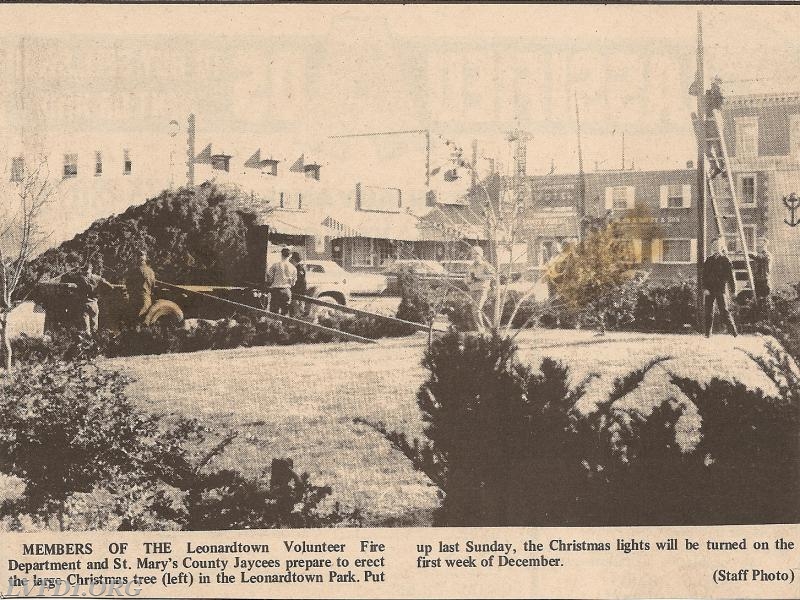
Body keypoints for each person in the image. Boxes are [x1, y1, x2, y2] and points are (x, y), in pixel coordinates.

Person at [65, 262, 112, 337]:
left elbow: (70, 277)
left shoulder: (80, 278)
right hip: (94, 302)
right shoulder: (97, 278)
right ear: (91, 269)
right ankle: (95, 342)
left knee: (86, 328)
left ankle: (87, 341)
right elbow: (109, 286)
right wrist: (102, 293)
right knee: (94, 325)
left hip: (84, 303)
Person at [703, 237, 738, 338]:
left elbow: (731, 277)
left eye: (717, 245)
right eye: (714, 245)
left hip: (720, 289)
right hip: (709, 290)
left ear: (721, 247)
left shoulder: (725, 260)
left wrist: (733, 290)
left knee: (724, 310)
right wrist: (705, 288)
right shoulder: (708, 260)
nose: (716, 247)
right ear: (712, 247)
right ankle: (707, 333)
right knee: (708, 311)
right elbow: (704, 276)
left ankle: (733, 332)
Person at [465, 246, 494, 332]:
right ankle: (482, 330)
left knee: (476, 310)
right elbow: (466, 278)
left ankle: (482, 329)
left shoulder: (485, 265)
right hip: (473, 289)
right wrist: (468, 280)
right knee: (474, 311)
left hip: (482, 289)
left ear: (481, 255)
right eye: (473, 254)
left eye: (477, 254)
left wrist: (479, 277)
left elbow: (493, 275)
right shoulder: (471, 267)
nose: (475, 256)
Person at [124, 250, 156, 324]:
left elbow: (128, 284)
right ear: (145, 258)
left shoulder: (135, 270)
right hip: (147, 298)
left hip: (136, 298)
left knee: (135, 320)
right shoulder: (151, 271)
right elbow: (153, 285)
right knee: (145, 321)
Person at [267, 247, 297, 315]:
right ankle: (283, 325)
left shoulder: (275, 265)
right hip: (287, 291)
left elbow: (270, 278)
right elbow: (293, 283)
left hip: (276, 290)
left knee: (274, 313)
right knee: (285, 312)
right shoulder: (293, 268)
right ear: (290, 256)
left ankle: (274, 325)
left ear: (281, 254)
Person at [289, 251, 307, 317]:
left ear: (294, 260)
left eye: (291, 260)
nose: (290, 261)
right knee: (294, 310)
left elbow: (300, 282)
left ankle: (296, 323)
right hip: (297, 292)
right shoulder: (299, 268)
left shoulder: (298, 269)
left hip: (298, 293)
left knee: (297, 311)